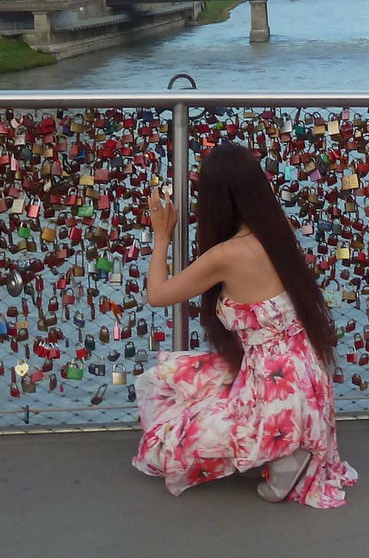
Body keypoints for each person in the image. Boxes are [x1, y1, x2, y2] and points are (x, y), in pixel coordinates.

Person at [133, 142, 356, 507]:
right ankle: (289, 444)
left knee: (166, 440)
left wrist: (161, 237)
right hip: (308, 375)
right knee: (189, 375)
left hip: (273, 385)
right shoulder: (279, 228)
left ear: (215, 199)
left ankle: (282, 446)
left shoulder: (224, 256)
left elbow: (157, 294)